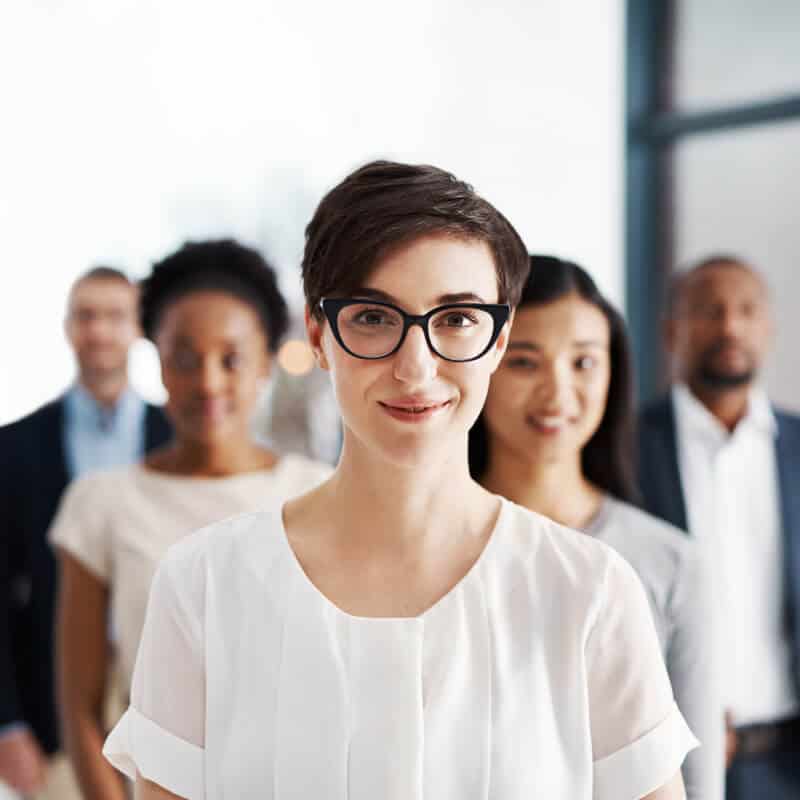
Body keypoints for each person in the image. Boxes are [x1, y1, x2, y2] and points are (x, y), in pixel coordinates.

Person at [103, 161, 696, 800]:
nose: (416, 369)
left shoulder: (589, 592)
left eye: (457, 319)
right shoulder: (204, 582)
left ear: (499, 339)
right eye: (374, 318)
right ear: (318, 334)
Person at [49, 240, 332, 800]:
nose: (207, 382)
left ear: (266, 362)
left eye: (231, 359)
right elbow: (80, 703)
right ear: (155, 358)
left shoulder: (319, 492)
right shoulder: (101, 503)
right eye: (184, 357)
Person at [470, 255, 723, 799]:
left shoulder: (670, 562)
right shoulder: (429, 545)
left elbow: (697, 781)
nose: (558, 393)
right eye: (524, 362)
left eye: (584, 363)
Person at [0, 267, 172, 799]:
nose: (99, 330)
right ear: (68, 328)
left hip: (167, 703)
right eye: (86, 315)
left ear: (137, 328)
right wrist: (7, 726)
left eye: (114, 316)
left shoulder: (179, 437)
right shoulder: (14, 448)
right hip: (52, 711)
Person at [638, 255, 800, 800]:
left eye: (747, 309)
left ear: (769, 327)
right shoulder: (625, 446)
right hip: (672, 757)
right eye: (708, 310)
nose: (730, 325)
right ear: (670, 331)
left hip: (787, 758)